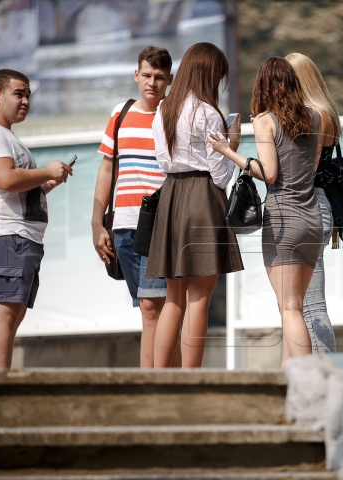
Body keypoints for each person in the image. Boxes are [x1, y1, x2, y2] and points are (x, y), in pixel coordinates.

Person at [210, 57, 322, 367]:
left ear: (262, 85)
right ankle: (289, 379)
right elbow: (309, 168)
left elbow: (270, 174)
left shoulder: (263, 121)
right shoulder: (315, 118)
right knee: (293, 306)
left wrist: (228, 152)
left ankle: (307, 381)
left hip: (284, 222)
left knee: (289, 308)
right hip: (312, 220)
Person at [147, 42, 244, 368]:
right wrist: (232, 145)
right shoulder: (208, 113)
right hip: (203, 198)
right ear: (210, 73)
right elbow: (220, 176)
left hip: (171, 197)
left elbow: (163, 161)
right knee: (199, 299)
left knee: (172, 299)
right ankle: (191, 377)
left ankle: (159, 377)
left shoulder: (162, 111)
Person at [0, 69, 73, 368]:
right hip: (6, 235)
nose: (26, 100)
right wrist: (47, 172)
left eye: (28, 95)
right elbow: (5, 179)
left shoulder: (5, 136)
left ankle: (1, 383)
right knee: (4, 311)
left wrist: (48, 183)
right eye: (19, 94)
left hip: (21, 237)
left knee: (14, 312)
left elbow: (18, 190)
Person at [92, 46, 178, 368]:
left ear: (169, 80)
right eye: (146, 75)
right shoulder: (121, 113)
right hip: (122, 224)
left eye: (159, 77)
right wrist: (96, 223)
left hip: (159, 223)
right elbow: (107, 169)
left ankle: (151, 388)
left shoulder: (173, 114)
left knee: (152, 307)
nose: (152, 83)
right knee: (153, 307)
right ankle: (175, 381)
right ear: (136, 75)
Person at [286, 52, 341, 354]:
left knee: (309, 305)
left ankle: (322, 376)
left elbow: (299, 167)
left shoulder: (312, 115)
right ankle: (311, 373)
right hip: (319, 205)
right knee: (303, 304)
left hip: (305, 204)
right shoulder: (324, 112)